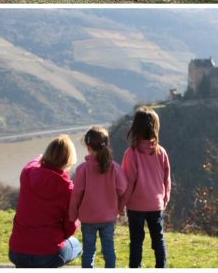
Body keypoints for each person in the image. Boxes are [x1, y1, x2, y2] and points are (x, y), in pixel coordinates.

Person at [8, 135, 82, 268]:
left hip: (16, 251)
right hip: (47, 254)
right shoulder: (68, 189)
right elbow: (70, 226)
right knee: (77, 246)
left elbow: (33, 162)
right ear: (69, 160)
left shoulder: (27, 173)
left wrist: (41, 157)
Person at [69, 127, 127, 268]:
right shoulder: (114, 168)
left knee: (89, 251)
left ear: (88, 147)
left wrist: (72, 215)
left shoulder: (83, 169)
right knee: (108, 250)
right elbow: (123, 188)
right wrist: (119, 207)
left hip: (88, 219)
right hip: (108, 218)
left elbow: (77, 194)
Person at [121, 107, 171, 268]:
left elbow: (127, 183)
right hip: (156, 204)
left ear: (135, 128)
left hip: (136, 205)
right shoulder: (161, 152)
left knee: (136, 240)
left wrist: (121, 204)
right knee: (158, 239)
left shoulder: (131, 153)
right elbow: (166, 179)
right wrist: (164, 199)